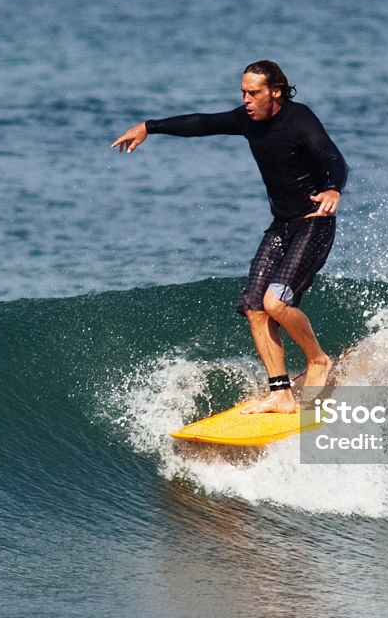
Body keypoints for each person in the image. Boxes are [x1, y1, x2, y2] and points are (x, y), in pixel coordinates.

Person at [112, 60, 348, 414]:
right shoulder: (246, 121)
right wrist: (149, 126)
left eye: (254, 93)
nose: (246, 100)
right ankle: (280, 391)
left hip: (313, 223)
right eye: (243, 93)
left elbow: (333, 157)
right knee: (255, 307)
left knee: (276, 303)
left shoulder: (299, 119)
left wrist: (332, 188)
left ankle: (317, 360)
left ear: (276, 92)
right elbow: (202, 123)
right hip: (282, 225)